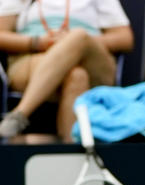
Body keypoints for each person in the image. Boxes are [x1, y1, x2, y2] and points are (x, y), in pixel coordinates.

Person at [0, 0, 133, 142]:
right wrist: (37, 43)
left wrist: (71, 42)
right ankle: (72, 151)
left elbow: (125, 38)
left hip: (92, 62)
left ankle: (20, 114)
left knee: (79, 36)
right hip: (33, 58)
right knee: (76, 75)